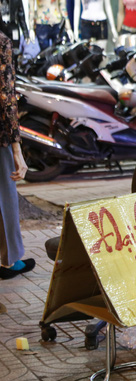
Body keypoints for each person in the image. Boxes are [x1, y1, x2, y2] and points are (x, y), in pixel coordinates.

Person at [0, 31, 35, 280]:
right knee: (5, 196)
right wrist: (16, 149)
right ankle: (9, 260)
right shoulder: (1, 41)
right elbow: (6, 97)